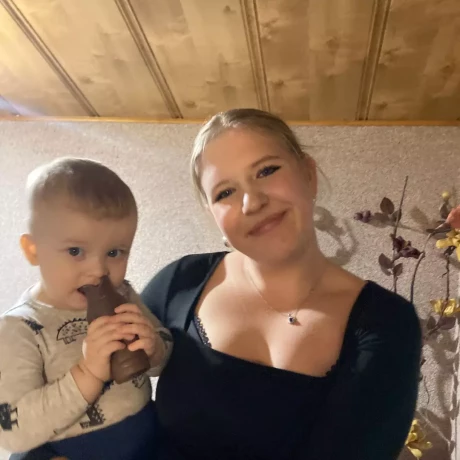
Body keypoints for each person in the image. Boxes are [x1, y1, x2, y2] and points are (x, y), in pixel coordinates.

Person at [141, 108, 422, 460]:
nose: (252, 202)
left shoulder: (387, 321)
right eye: (225, 192)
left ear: (308, 175)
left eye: (266, 171)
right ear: (214, 216)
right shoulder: (181, 281)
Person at [0, 158, 173, 460]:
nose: (99, 270)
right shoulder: (19, 328)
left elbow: (163, 358)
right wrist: (88, 373)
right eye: (75, 251)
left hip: (148, 437)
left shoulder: (123, 295)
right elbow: (12, 431)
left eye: (114, 252)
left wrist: (154, 347)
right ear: (33, 250)